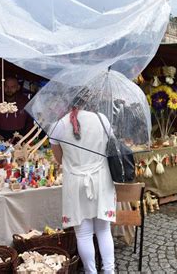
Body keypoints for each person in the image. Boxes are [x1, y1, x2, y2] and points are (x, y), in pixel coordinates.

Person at [50, 98, 116, 274]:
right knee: (103, 230)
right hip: (101, 179)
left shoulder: (58, 125)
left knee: (84, 234)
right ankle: (109, 271)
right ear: (89, 100)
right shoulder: (102, 119)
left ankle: (90, 272)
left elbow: (59, 159)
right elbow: (112, 147)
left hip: (75, 181)